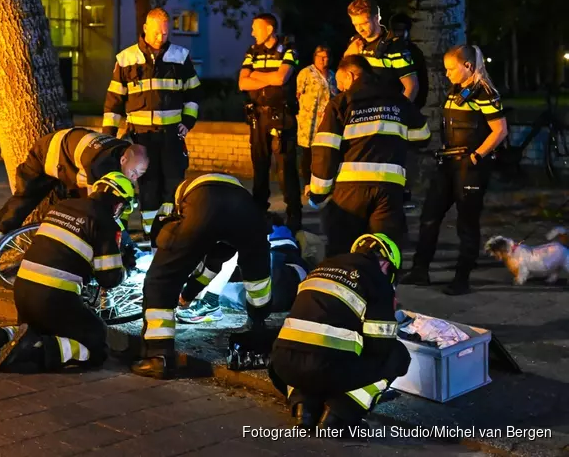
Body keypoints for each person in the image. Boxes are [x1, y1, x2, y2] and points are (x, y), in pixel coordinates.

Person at [0, 172, 135, 373]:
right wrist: (125, 265)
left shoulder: (62, 207)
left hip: (23, 289)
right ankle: (34, 351)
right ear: (119, 203)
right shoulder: (105, 222)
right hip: (54, 296)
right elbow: (109, 278)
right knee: (95, 341)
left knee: (41, 327)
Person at [131, 173, 273, 379]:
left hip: (202, 205)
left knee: (160, 280)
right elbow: (214, 263)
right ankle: (259, 326)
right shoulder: (237, 195)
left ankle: (158, 357)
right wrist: (188, 295)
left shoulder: (181, 199)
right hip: (247, 215)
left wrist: (165, 260)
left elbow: (167, 247)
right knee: (258, 278)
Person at [269, 233, 411, 431]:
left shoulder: (323, 266)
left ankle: (305, 407)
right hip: (327, 369)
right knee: (397, 355)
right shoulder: (377, 279)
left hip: (282, 366)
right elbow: (380, 346)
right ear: (387, 265)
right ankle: (340, 415)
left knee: (309, 354)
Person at [0, 127, 148, 285]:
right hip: (45, 157)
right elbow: (99, 213)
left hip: (70, 164)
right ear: (123, 159)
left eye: (139, 174)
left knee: (75, 216)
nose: (134, 178)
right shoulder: (101, 165)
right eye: (133, 172)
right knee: (18, 207)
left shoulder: (125, 154)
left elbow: (116, 210)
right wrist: (123, 245)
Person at [401, 45, 508, 295]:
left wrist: (476, 156)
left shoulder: (485, 92)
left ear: (468, 66)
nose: (447, 74)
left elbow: (500, 130)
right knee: (430, 215)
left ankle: (462, 277)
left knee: (466, 222)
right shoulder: (457, 89)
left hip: (469, 166)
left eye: (451, 68)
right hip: (448, 163)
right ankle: (420, 270)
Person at [308, 55, 430, 258]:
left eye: (341, 83)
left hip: (350, 191)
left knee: (343, 255)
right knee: (384, 254)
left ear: (350, 75)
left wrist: (318, 192)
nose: (341, 89)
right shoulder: (398, 100)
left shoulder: (341, 103)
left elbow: (325, 150)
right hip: (389, 190)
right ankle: (382, 288)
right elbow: (423, 136)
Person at [103, 8, 202, 236]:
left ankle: (172, 233)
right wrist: (108, 137)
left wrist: (187, 121)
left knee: (174, 185)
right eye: (157, 33)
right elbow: (114, 102)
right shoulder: (126, 59)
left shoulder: (180, 56)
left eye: (165, 34)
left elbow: (194, 94)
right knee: (148, 187)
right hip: (141, 137)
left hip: (171, 136)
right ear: (145, 28)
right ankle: (151, 235)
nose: (161, 38)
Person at [175, 212, 308, 323]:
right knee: (227, 291)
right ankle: (205, 300)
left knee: (233, 245)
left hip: (280, 286)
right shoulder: (286, 241)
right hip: (291, 294)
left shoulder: (265, 233)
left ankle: (206, 301)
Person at [239, 13, 302, 234]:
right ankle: (259, 213)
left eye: (256, 28)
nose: (252, 32)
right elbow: (241, 82)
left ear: (269, 29)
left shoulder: (289, 50)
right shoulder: (252, 51)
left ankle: (294, 215)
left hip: (281, 117)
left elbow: (281, 79)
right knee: (260, 167)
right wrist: (268, 76)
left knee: (286, 169)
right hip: (258, 116)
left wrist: (256, 76)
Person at [389, 12, 429, 210]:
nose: (397, 35)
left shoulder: (413, 52)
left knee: (408, 153)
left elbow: (420, 83)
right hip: (389, 112)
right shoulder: (386, 50)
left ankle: (405, 191)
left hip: (407, 110)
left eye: (401, 31)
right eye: (394, 30)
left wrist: (412, 108)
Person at [345, 0, 418, 103]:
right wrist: (348, 55)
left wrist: (397, 113)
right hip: (358, 112)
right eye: (356, 25)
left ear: (376, 18)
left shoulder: (394, 46)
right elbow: (342, 79)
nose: (360, 29)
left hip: (385, 112)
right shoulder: (355, 42)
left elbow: (412, 86)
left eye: (364, 23)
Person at [296, 45, 338, 196]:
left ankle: (325, 184)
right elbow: (298, 95)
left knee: (325, 153)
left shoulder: (333, 75)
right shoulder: (306, 73)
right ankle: (308, 184)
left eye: (325, 57)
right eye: (319, 56)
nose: (322, 60)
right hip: (309, 120)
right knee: (308, 154)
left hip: (326, 121)